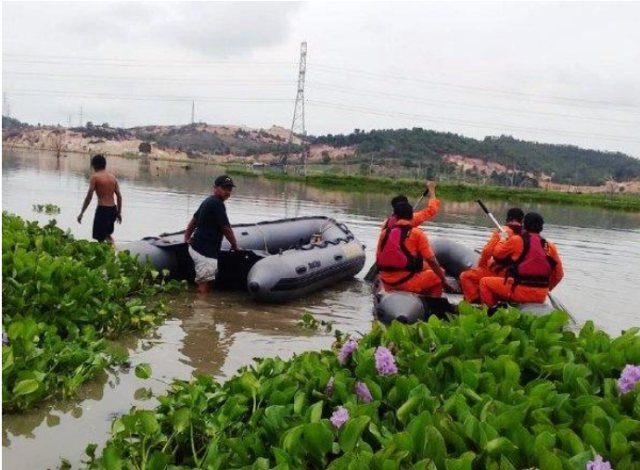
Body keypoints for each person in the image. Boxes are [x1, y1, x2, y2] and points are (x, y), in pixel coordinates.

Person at [479, 212, 564, 307]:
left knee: (484, 282)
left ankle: (490, 313)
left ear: (524, 225)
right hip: (541, 295)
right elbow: (559, 275)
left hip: (519, 290)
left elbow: (497, 254)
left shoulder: (517, 240)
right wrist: (546, 290)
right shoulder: (549, 246)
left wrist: (502, 239)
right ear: (541, 227)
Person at [376, 200, 452, 296]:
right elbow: (432, 260)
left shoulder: (384, 232)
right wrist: (444, 281)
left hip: (387, 283)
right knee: (438, 274)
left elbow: (378, 257)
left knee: (424, 270)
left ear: (395, 216)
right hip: (405, 282)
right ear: (412, 216)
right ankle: (435, 304)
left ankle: (421, 292)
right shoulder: (417, 233)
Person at [184, 175, 240, 294]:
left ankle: (204, 306)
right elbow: (226, 228)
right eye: (224, 188)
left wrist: (187, 237)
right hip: (204, 251)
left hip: (199, 248)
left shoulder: (208, 201)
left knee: (207, 280)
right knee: (204, 283)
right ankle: (202, 309)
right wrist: (235, 245)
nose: (227, 192)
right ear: (215, 188)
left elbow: (193, 221)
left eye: (230, 189)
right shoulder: (217, 204)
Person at [459, 207, 524, 303]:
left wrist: (481, 265)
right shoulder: (527, 235)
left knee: (465, 276)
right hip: (517, 278)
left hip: (500, 273)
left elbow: (487, 251)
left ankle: (475, 301)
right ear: (522, 220)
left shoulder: (502, 231)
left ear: (508, 218)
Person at [77, 154, 122, 245]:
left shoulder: (95, 177)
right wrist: (119, 213)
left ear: (94, 165)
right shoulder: (113, 178)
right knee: (106, 234)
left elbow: (89, 196)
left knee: (101, 237)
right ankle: (110, 254)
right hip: (112, 209)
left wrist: (82, 212)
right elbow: (119, 196)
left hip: (103, 209)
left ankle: (111, 252)